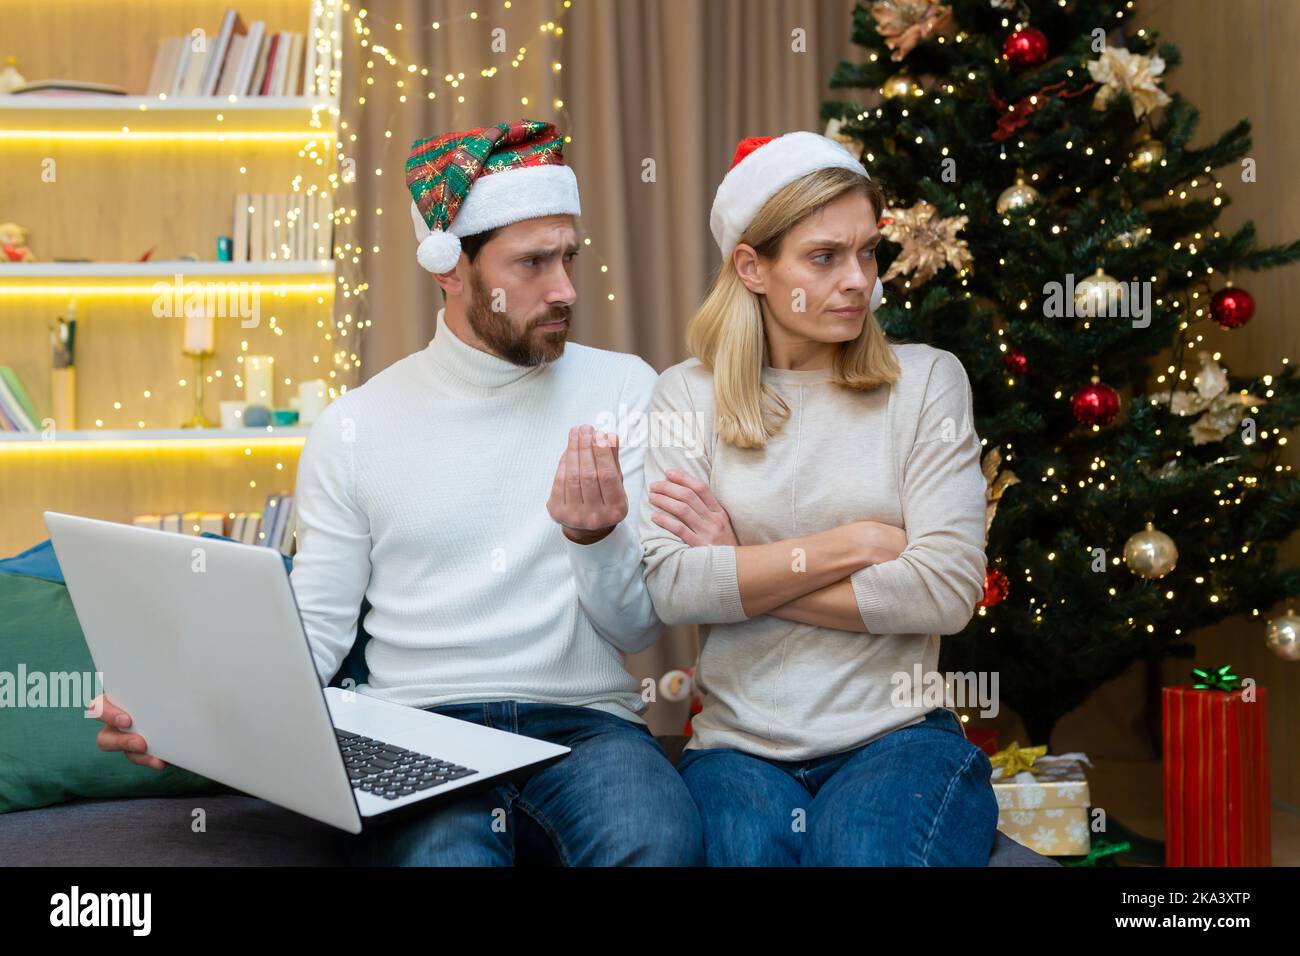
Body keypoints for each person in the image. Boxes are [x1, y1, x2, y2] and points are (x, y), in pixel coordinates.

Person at [93, 119, 703, 867]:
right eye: (533, 263)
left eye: (568, 256)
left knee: (659, 843)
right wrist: (180, 713)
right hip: (420, 725)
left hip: (585, 724)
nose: (565, 289)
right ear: (450, 268)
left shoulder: (624, 387)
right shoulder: (356, 426)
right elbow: (313, 636)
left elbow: (638, 630)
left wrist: (596, 539)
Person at [639, 131, 998, 866]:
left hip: (897, 738)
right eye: (825, 258)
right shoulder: (686, 395)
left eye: (867, 252)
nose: (859, 281)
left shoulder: (927, 382)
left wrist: (739, 568)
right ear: (752, 267)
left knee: (865, 851)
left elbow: (946, 589)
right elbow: (673, 587)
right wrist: (851, 546)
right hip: (736, 751)